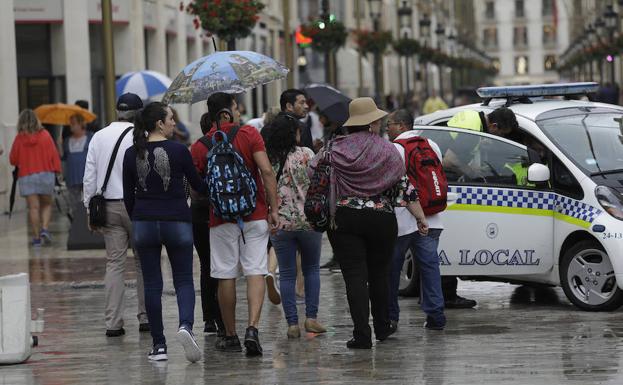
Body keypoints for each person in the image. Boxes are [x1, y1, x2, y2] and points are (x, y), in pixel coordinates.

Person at [315, 97, 417, 349]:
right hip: (381, 218)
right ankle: (382, 326)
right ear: (373, 122)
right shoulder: (386, 149)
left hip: (344, 218)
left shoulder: (333, 148)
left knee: (354, 276)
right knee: (379, 274)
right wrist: (421, 217)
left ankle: (361, 334)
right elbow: (402, 185)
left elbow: (313, 172)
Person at [190, 92, 278, 357]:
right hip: (255, 213)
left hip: (220, 219)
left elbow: (196, 189)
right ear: (227, 113)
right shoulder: (249, 133)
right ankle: (253, 328)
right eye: (237, 108)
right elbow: (266, 171)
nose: (240, 113)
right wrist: (273, 208)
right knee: (255, 270)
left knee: (225, 274)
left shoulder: (200, 145)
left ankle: (230, 334)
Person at [123, 102, 204, 363]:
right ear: (159, 123)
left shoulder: (131, 153)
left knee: (152, 284)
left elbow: (127, 197)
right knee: (183, 279)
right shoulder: (180, 150)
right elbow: (198, 186)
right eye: (170, 118)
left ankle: (159, 345)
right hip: (177, 221)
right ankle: (185, 326)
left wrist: (140, 215)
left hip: (144, 222)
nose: (173, 123)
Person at [441, 107, 520, 309]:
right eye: (500, 134)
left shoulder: (475, 120)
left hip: (442, 184)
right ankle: (446, 295)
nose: (498, 138)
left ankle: (439, 294)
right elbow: (449, 160)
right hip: (443, 187)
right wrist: (473, 174)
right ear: (493, 126)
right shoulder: (473, 129)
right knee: (449, 242)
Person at [83, 93, 149, 337]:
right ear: (139, 113)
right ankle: (146, 317)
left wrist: (90, 209)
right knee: (144, 263)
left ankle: (113, 322)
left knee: (114, 264)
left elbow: (89, 177)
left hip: (108, 207)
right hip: (138, 207)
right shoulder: (142, 136)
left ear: (117, 111)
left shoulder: (99, 137)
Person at [261, 115, 326, 338]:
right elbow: (318, 181)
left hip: (281, 222)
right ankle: (311, 318)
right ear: (293, 134)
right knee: (311, 270)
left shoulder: (269, 159)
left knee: (287, 274)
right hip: (309, 221)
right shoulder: (307, 154)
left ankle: (292, 324)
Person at [386, 109, 446, 331]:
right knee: (430, 267)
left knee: (392, 270)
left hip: (402, 221)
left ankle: (392, 318)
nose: (387, 128)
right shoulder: (432, 145)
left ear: (402, 125)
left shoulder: (395, 149)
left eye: (390, 124)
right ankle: (436, 316)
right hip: (432, 218)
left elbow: (393, 184)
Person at [190, 112, 224, 335]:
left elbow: (191, 183)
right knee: (223, 264)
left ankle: (209, 318)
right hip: (223, 210)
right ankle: (223, 315)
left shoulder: (196, 148)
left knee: (205, 265)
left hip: (200, 210)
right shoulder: (226, 141)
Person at [9, 109, 62, 246]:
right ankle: (45, 228)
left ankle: (37, 238)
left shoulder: (19, 138)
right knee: (46, 204)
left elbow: (13, 160)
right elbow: (54, 155)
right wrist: (58, 171)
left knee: (33, 208)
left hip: (27, 176)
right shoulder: (45, 135)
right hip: (46, 175)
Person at [62, 113, 92, 206]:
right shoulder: (67, 141)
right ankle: (78, 220)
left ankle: (86, 219)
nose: (71, 126)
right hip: (72, 176)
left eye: (74, 123)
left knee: (88, 202)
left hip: (87, 176)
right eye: (70, 123)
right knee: (74, 204)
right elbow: (64, 158)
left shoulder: (90, 137)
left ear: (81, 124)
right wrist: (59, 146)